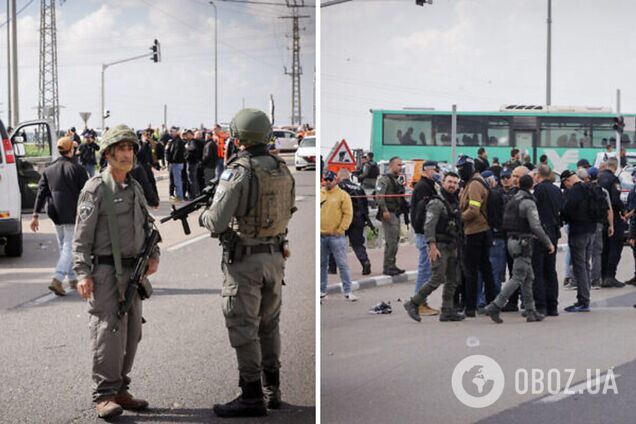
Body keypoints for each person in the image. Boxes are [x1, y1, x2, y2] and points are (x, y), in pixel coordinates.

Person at [199, 109, 296, 417]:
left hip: (245, 260)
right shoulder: (282, 168)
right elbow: (288, 210)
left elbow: (216, 222)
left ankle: (252, 396)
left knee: (244, 326)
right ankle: (273, 389)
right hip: (274, 258)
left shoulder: (238, 171)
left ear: (237, 138)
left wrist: (204, 212)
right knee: (270, 325)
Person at [72, 125, 160, 419]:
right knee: (108, 333)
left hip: (134, 273)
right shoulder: (95, 189)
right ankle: (105, 395)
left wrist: (154, 255)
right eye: (121, 149)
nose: (127, 154)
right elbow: (81, 238)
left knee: (132, 333)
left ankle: (121, 388)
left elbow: (149, 226)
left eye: (131, 149)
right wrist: (82, 273)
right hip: (106, 272)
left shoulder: (134, 187)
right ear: (108, 154)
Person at [484, 175, 555, 324]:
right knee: (518, 277)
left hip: (511, 240)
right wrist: (548, 242)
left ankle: (530, 311)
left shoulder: (513, 199)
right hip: (524, 242)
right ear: (531, 185)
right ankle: (495, 305)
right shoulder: (528, 202)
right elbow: (536, 226)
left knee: (529, 278)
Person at [403, 172, 465, 322]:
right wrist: (432, 246)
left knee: (453, 279)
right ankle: (413, 303)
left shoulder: (453, 201)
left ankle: (447, 310)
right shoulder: (436, 202)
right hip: (440, 246)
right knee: (437, 277)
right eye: (450, 182)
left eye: (455, 183)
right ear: (443, 182)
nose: (452, 185)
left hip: (452, 245)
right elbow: (429, 226)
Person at [31, 137, 88, 296]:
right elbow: (88, 193)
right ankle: (57, 279)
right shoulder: (78, 169)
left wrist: (35, 214)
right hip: (72, 214)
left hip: (55, 213)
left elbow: (41, 193)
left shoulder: (49, 170)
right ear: (72, 150)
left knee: (65, 247)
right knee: (69, 248)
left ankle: (72, 280)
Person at [456, 155, 497, 317]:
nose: (460, 173)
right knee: (485, 269)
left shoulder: (474, 184)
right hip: (481, 231)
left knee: (471, 271)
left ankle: (471, 307)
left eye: (461, 170)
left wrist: (459, 217)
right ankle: (492, 303)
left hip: (475, 232)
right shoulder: (475, 181)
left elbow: (473, 210)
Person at [560, 169, 597, 312]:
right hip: (591, 230)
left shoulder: (575, 191)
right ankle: (586, 298)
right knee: (586, 265)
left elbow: (567, 209)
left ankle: (583, 301)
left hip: (578, 231)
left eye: (565, 185)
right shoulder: (591, 187)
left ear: (567, 181)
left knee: (579, 266)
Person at [328, 169, 373, 276]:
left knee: (334, 243)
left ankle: (332, 268)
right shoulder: (359, 187)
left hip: (343, 219)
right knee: (357, 244)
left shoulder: (339, 187)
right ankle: (365, 262)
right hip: (358, 219)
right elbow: (365, 205)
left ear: (338, 178)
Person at [531, 165, 562, 316]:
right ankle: (553, 305)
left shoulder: (539, 190)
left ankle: (541, 305)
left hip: (540, 234)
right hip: (554, 233)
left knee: (538, 270)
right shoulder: (556, 190)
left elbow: (535, 211)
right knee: (550, 270)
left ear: (538, 175)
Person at [410, 161, 439, 315]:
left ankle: (422, 301)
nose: (437, 173)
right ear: (427, 171)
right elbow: (422, 213)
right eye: (435, 170)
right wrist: (427, 233)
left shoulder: (428, 185)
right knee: (425, 269)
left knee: (427, 269)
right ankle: (418, 303)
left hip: (424, 232)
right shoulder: (423, 187)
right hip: (424, 233)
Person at [376, 156, 408, 276]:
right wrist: (384, 210)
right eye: (398, 165)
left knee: (395, 240)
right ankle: (388, 266)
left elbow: (401, 194)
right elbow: (380, 196)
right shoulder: (384, 179)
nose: (400, 167)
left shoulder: (398, 179)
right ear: (391, 165)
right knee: (391, 242)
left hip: (396, 212)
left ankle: (391, 265)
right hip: (389, 213)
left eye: (401, 165)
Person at [598, 158, 626, 287]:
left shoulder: (599, 178)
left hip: (600, 218)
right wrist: (624, 210)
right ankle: (610, 276)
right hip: (613, 217)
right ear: (616, 166)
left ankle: (603, 276)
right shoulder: (614, 180)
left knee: (604, 248)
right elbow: (615, 200)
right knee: (615, 247)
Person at [166, 126, 186, 201]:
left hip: (177, 163)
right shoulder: (173, 141)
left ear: (176, 132)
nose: (171, 133)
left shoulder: (178, 141)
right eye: (170, 131)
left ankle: (180, 196)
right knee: (175, 181)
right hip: (174, 163)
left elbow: (176, 153)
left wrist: (172, 160)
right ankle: (178, 196)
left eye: (172, 131)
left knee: (177, 181)